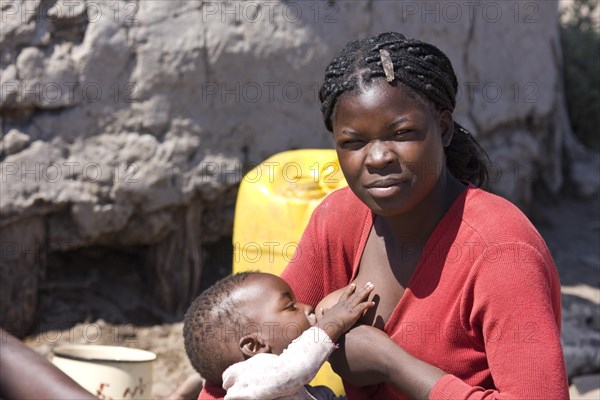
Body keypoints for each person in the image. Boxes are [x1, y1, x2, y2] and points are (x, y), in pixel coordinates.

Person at [200, 31, 569, 399]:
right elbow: (245, 348)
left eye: (402, 133)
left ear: (441, 128)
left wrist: (393, 364)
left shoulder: (502, 253)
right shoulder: (340, 218)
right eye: (353, 142)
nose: (377, 158)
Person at [183, 271, 374, 399]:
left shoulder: (278, 387)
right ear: (255, 346)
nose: (307, 307)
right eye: (291, 307)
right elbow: (294, 369)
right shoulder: (249, 377)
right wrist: (332, 324)